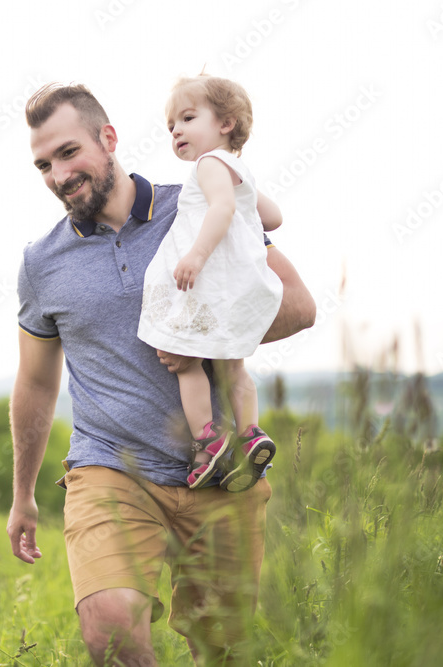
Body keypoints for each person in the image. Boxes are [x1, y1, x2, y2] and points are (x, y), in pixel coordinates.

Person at [6, 82, 315, 665]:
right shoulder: (41, 263)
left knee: (220, 649)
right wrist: (23, 494)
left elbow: (298, 304)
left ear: (108, 138)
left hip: (223, 469)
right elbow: (37, 383)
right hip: (111, 469)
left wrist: (196, 340)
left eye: (69, 153)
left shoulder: (198, 201)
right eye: (43, 164)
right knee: (110, 629)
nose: (57, 175)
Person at [138, 75, 284, 493]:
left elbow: (221, 206)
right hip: (236, 287)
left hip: (207, 283)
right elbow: (272, 218)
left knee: (184, 362)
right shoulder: (238, 170)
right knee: (233, 368)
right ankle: (251, 433)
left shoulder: (208, 165)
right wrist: (245, 201)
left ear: (226, 123)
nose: (176, 130)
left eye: (187, 118)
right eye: (171, 126)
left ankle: (208, 438)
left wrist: (197, 254)